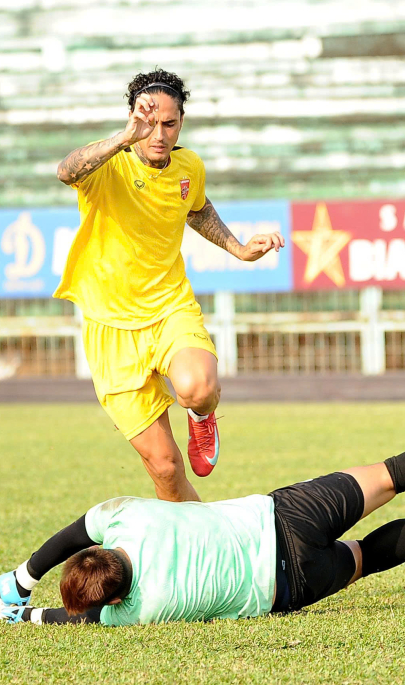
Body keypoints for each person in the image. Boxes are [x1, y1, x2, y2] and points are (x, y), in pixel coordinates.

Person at [0, 396, 405, 625]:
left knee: (366, 557)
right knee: (389, 474)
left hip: (286, 585)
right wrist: (23, 577)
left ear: (113, 598)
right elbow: (75, 531)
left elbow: (82, 618)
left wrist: (30, 617)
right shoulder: (125, 519)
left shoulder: (140, 611)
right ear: (103, 551)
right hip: (282, 517)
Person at [54, 68, 285, 502]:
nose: (158, 134)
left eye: (169, 123)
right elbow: (66, 171)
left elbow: (197, 208)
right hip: (110, 328)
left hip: (169, 308)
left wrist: (238, 249)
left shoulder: (189, 165)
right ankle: (193, 539)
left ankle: (201, 417)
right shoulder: (109, 164)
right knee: (165, 468)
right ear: (132, 118)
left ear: (181, 122)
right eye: (149, 122)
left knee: (198, 388)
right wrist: (125, 138)